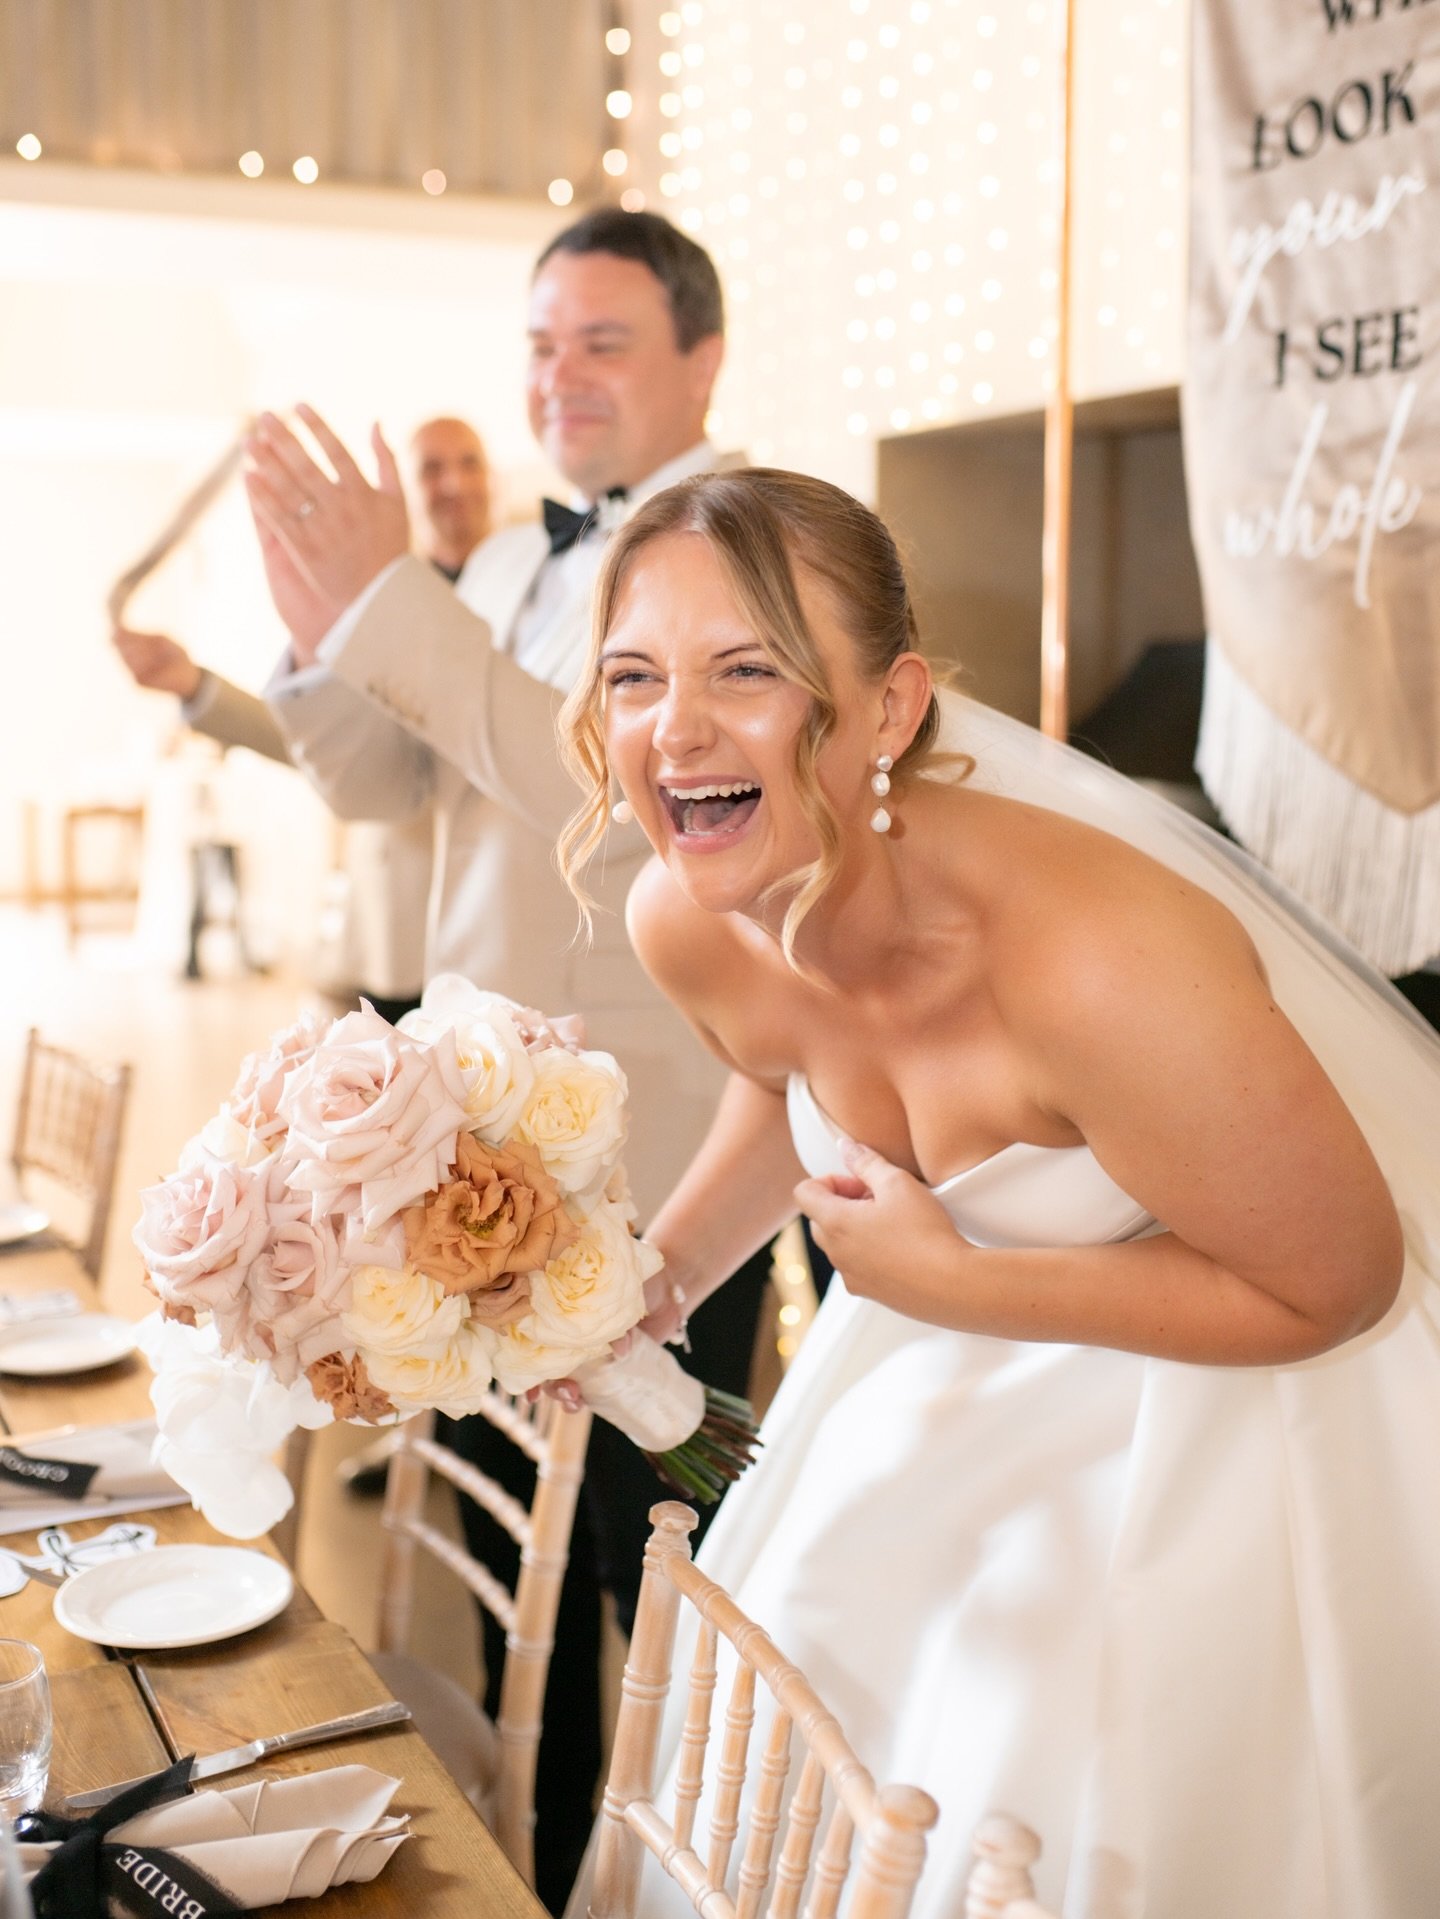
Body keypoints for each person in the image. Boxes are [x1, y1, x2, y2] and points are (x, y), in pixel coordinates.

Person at [556, 468, 1440, 1919]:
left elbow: (1335, 1283)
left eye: (747, 669)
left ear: (892, 708)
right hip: (937, 1388)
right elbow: (790, 1089)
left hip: (1233, 1413)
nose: (676, 729)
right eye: (635, 675)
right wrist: (657, 1273)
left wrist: (958, 1283)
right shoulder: (688, 911)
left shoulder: (1099, 957)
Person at [241, 211, 773, 1915]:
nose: (561, 378)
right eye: (541, 344)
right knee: (492, 1538)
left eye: (603, 342)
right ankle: (523, 1861)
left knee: (661, 1549)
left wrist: (395, 604)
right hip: (472, 1125)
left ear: (703, 357)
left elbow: (601, 789)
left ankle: (682, 1863)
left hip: (665, 1141)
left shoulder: (738, 548)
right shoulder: (500, 570)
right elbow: (394, 785)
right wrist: (321, 626)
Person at [111, 415, 494, 1016]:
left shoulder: (544, 588)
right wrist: (193, 686)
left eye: (468, 462)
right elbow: (320, 740)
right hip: (397, 928)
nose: (453, 483)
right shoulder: (373, 603)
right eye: (432, 467)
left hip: (509, 924)